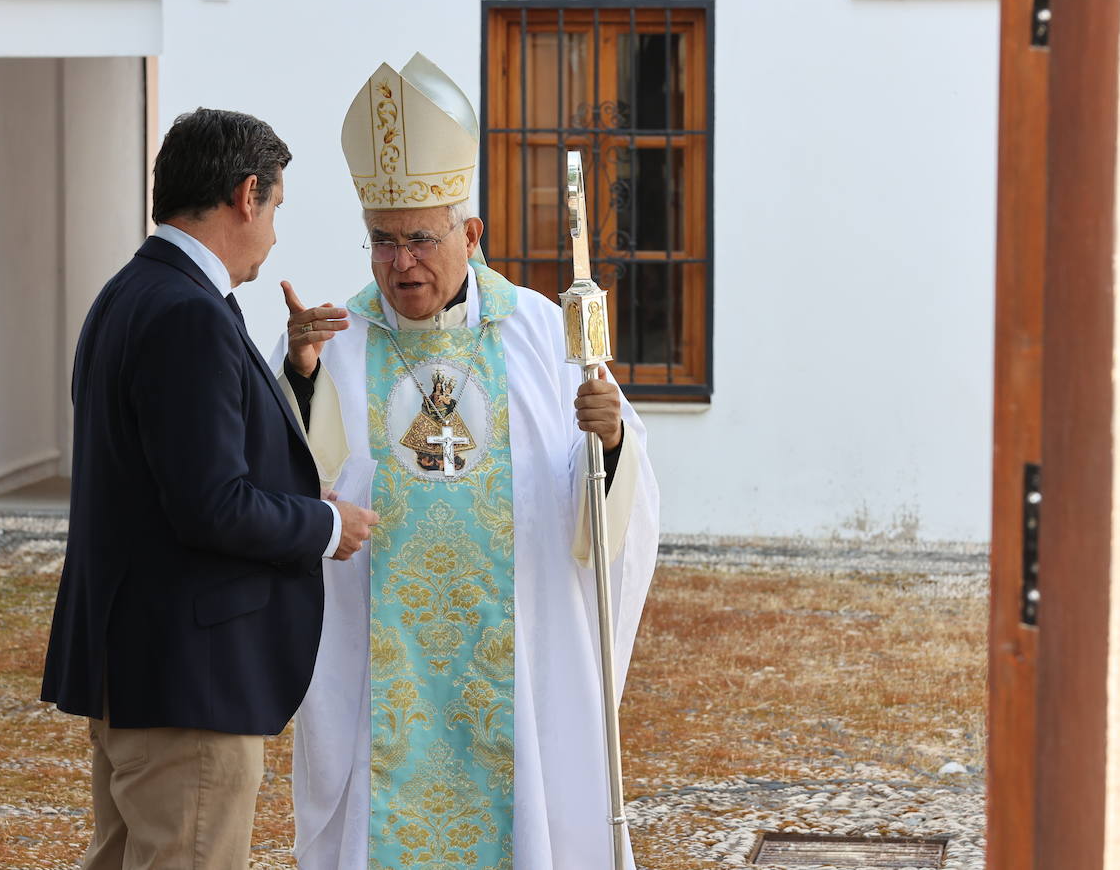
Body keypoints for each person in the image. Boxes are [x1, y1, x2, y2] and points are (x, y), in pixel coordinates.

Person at [271, 54, 660, 869]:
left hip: (511, 664)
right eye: (383, 241)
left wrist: (611, 440)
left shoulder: (539, 332)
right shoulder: (334, 343)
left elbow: (600, 500)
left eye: (420, 238)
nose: (401, 262)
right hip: (386, 674)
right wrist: (300, 383)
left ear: (470, 235)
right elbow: (297, 489)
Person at [40, 108, 379, 870]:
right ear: (245, 195)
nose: (275, 235)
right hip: (187, 683)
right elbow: (209, 504)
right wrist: (325, 526)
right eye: (277, 208)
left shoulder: (133, 293)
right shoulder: (188, 314)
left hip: (137, 663)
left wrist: (293, 372)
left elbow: (178, 464)